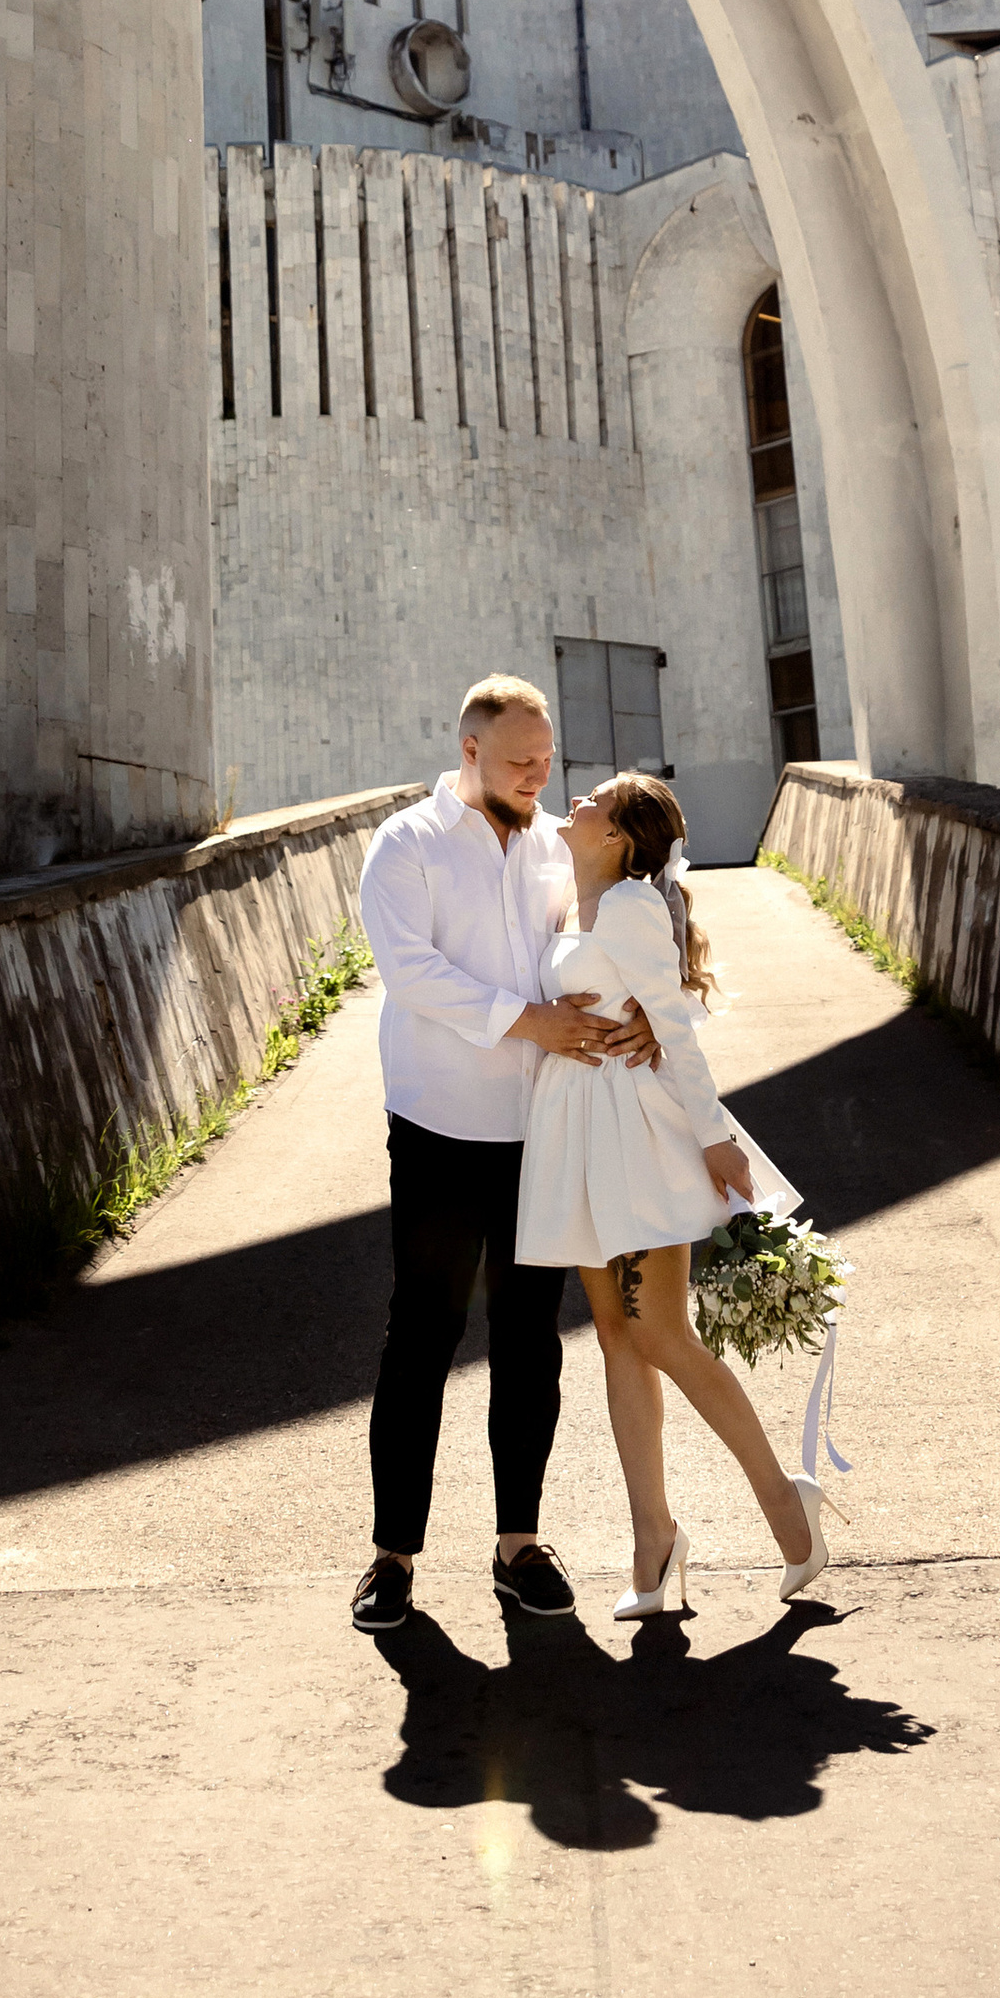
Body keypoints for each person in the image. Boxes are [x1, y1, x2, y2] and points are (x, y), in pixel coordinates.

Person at [350, 676, 659, 1635]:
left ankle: (518, 1545)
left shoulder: (551, 853)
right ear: (471, 747)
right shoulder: (408, 843)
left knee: (531, 1345)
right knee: (423, 1339)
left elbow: (606, 938)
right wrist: (531, 1021)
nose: (539, 776)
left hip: (541, 1131)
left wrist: (644, 1010)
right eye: (522, 760)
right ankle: (392, 1555)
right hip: (439, 1127)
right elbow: (409, 970)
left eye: (546, 758)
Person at [516, 769, 830, 1616]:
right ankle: (652, 1541)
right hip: (580, 1129)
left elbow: (676, 1027)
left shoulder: (626, 905)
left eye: (594, 804)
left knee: (659, 1330)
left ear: (618, 838)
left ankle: (782, 1503)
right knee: (617, 1336)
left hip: (639, 1130)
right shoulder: (567, 899)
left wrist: (717, 1140)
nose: (573, 805)